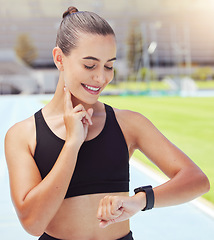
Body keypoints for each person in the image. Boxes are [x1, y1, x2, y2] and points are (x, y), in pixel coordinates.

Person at [5, 6, 210, 240]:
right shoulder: (23, 135)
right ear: (59, 59)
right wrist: (72, 145)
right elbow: (32, 223)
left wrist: (139, 201)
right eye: (90, 65)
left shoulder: (128, 123)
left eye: (109, 66)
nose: (101, 78)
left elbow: (197, 180)